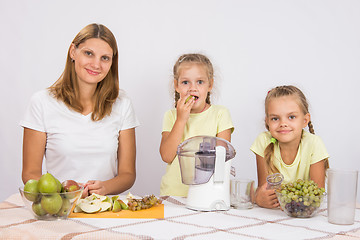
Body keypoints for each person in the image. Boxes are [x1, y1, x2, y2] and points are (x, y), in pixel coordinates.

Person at [21, 23, 140, 197]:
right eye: (88, 53)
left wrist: (104, 187)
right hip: (59, 209)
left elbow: (128, 175)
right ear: (73, 52)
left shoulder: (122, 103)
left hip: (105, 209)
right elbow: (30, 174)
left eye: (105, 58)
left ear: (112, 62)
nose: (96, 64)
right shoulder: (41, 102)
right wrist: (66, 194)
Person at [159, 53, 234, 197]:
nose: (193, 88)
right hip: (173, 194)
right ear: (176, 85)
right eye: (185, 82)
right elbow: (167, 156)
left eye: (200, 82)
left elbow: (221, 158)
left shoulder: (220, 114)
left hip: (207, 194)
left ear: (210, 84)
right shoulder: (171, 116)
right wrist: (181, 120)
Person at [250, 85, 329, 208]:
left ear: (305, 120)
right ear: (267, 121)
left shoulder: (314, 144)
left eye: (291, 117)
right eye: (275, 118)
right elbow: (265, 190)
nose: (283, 124)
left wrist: (292, 202)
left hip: (303, 210)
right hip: (275, 212)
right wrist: (259, 198)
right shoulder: (263, 141)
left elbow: (317, 194)